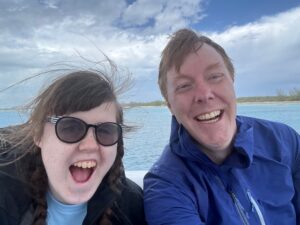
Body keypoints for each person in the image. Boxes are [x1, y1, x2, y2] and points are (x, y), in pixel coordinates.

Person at [143, 28, 300, 225]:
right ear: (170, 106)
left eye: (215, 76)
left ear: (232, 81)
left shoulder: (284, 140)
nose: (204, 94)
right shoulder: (166, 185)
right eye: (183, 85)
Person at [0, 68, 147, 224]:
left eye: (105, 131)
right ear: (38, 135)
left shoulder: (132, 205)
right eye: (70, 128)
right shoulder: (4, 198)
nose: (90, 145)